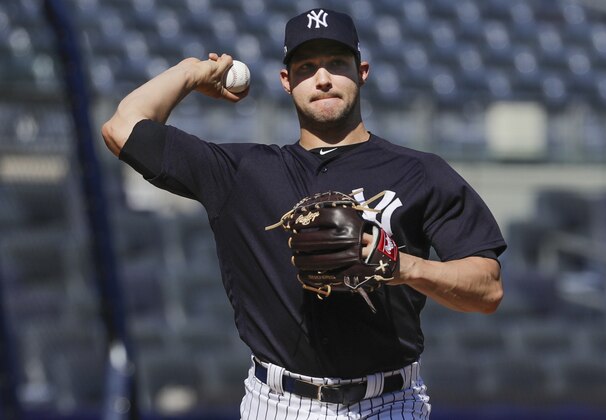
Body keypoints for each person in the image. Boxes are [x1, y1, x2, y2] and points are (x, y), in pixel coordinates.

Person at [102, 8, 506, 419]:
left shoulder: (420, 172)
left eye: (336, 63)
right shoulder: (244, 173)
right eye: (307, 67)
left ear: (362, 71)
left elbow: (488, 290)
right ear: (286, 81)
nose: (323, 78)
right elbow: (121, 127)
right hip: (279, 403)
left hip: (391, 401)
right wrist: (191, 73)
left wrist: (401, 266)